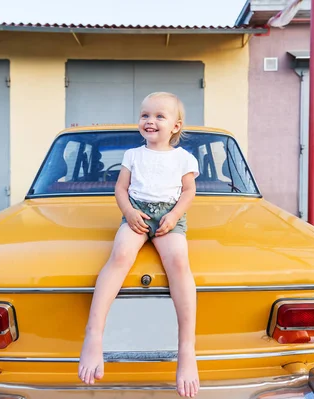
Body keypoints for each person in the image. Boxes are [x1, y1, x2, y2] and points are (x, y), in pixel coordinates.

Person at [78, 92, 200, 398]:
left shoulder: (184, 158)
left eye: (160, 116)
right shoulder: (133, 155)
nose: (151, 121)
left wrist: (173, 216)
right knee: (119, 256)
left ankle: (186, 349)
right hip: (137, 214)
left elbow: (188, 192)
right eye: (145, 115)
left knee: (180, 265)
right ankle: (94, 336)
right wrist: (129, 213)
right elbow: (120, 188)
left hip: (170, 217)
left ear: (176, 125)